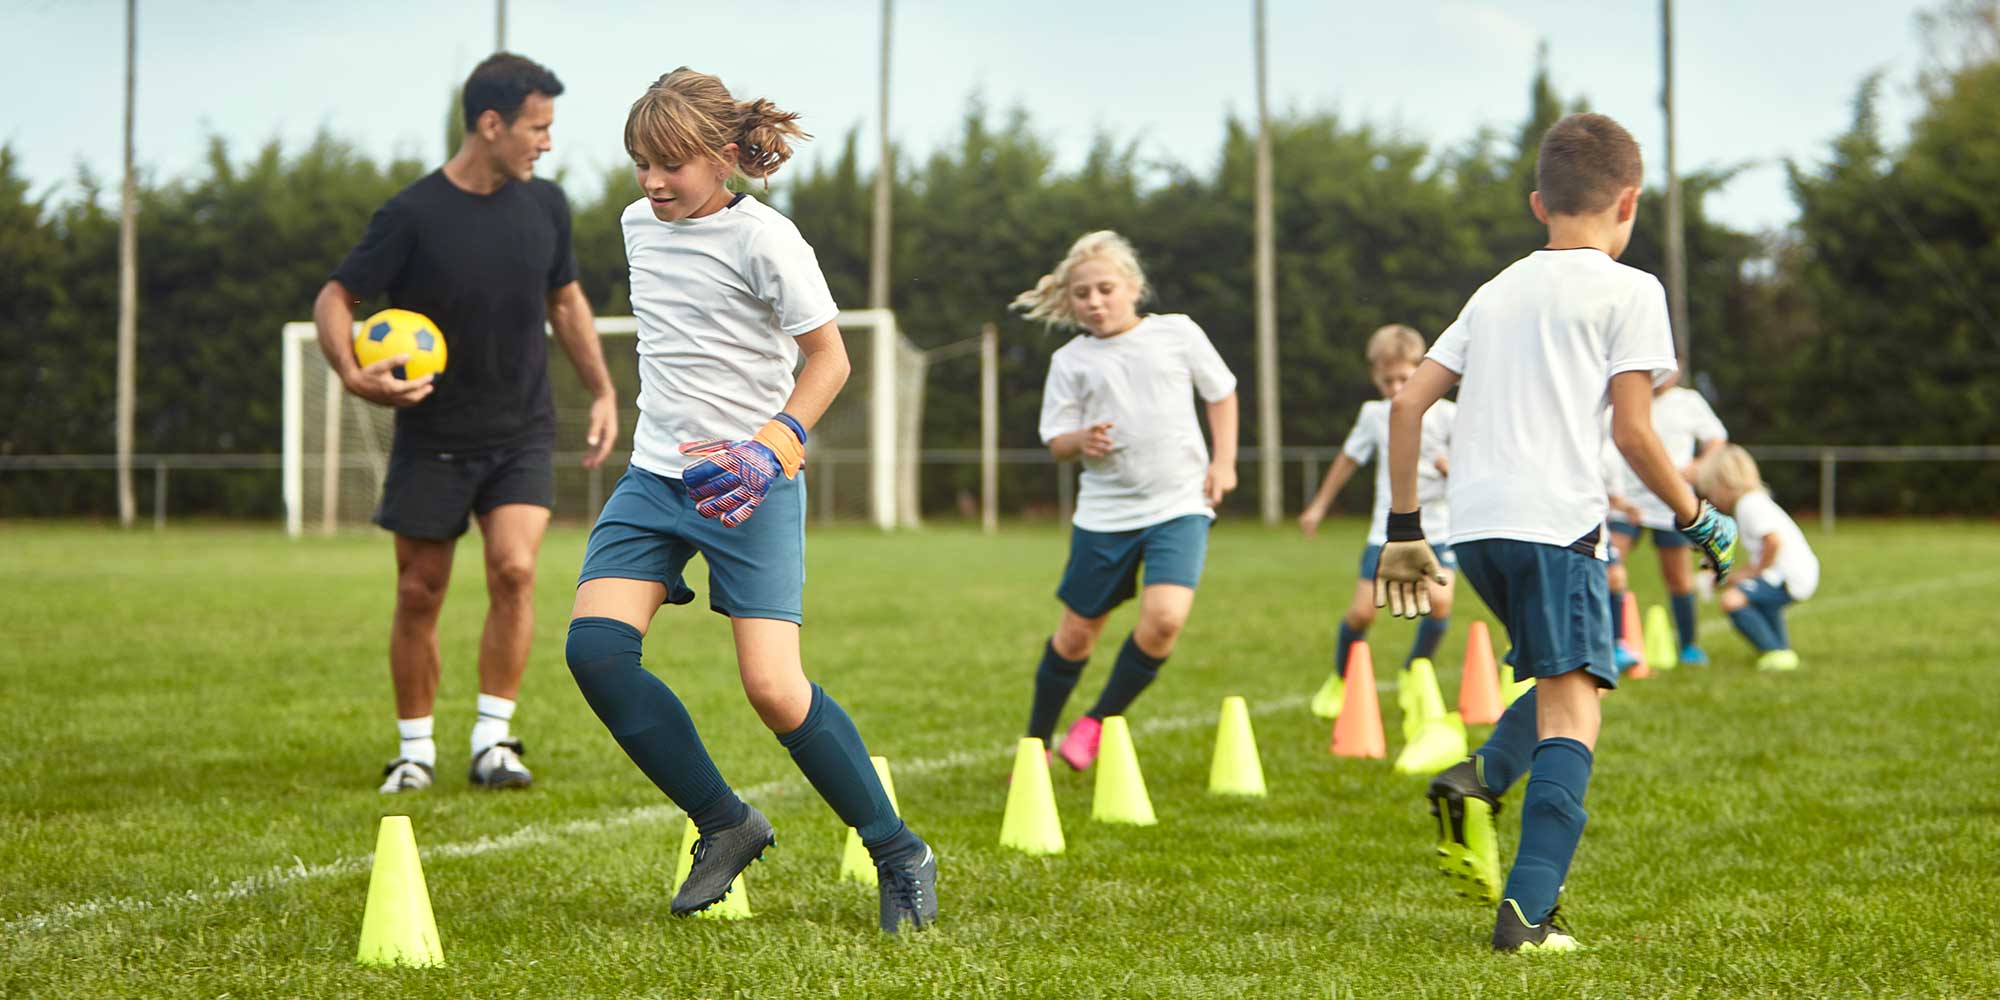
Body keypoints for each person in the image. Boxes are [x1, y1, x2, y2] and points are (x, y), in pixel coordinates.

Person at [561, 68, 935, 934]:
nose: (652, 182)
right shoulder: (634, 225)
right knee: (596, 654)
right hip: (654, 479)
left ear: (722, 157)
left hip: (751, 488)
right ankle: (727, 822)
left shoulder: (769, 240)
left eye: (671, 165)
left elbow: (830, 360)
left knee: (772, 687)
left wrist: (774, 448)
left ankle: (896, 850)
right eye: (640, 164)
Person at [1374, 113, 1738, 952]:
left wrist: (1404, 527)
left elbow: (1407, 405)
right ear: (1628, 202)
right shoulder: (1631, 289)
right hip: (1558, 525)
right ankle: (1528, 919)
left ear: (1540, 203)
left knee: (1559, 674)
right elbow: (1638, 434)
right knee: (1577, 713)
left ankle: (1479, 778)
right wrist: (1697, 516)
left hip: (1479, 532)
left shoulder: (1495, 289)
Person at [314, 53, 618, 795]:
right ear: (491, 124)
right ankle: (414, 750)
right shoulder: (412, 214)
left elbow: (567, 304)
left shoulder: (546, 206)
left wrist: (604, 390)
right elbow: (335, 298)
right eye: (537, 128)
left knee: (514, 570)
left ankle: (493, 741)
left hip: (521, 429)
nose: (547, 143)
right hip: (433, 435)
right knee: (420, 588)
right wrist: (354, 375)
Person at [1015, 230, 1240, 771]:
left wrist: (1224, 462)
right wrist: (1080, 440)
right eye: (1082, 294)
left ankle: (1095, 723)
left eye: (1105, 289)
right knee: (1074, 638)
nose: (1094, 302)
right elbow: (1056, 442)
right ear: (1069, 300)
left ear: (1133, 286)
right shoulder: (1072, 360)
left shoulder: (1178, 334)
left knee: (1164, 620)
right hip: (1105, 515)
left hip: (1178, 504)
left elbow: (1222, 392)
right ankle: (1037, 745)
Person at [1300, 324, 1457, 720]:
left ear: (1421, 369)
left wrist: (1451, 469)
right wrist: (1319, 505)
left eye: (1405, 378)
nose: (1396, 387)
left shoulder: (1449, 416)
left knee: (1440, 604)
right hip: (1386, 531)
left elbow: (1475, 466)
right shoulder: (1374, 415)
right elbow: (1347, 460)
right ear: (1375, 377)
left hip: (1439, 530)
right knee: (1362, 613)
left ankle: (1412, 672)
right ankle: (1341, 679)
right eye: (1388, 380)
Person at [1604, 375, 1729, 666]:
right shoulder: (1624, 397)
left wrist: (1698, 467)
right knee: (1609, 570)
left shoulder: (1688, 401)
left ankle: (1689, 645)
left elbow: (1717, 437)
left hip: (1670, 504)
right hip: (1626, 504)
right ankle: (1613, 644)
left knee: (1678, 577)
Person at [1697, 446, 1818, 671]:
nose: (1710, 497)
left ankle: (1774, 652)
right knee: (1758, 601)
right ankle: (1781, 650)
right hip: (1794, 573)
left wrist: (1754, 571)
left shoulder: (1749, 505)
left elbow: (1773, 541)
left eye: (1710, 490)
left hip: (1789, 576)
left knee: (1732, 601)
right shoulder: (1753, 501)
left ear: (1724, 483)